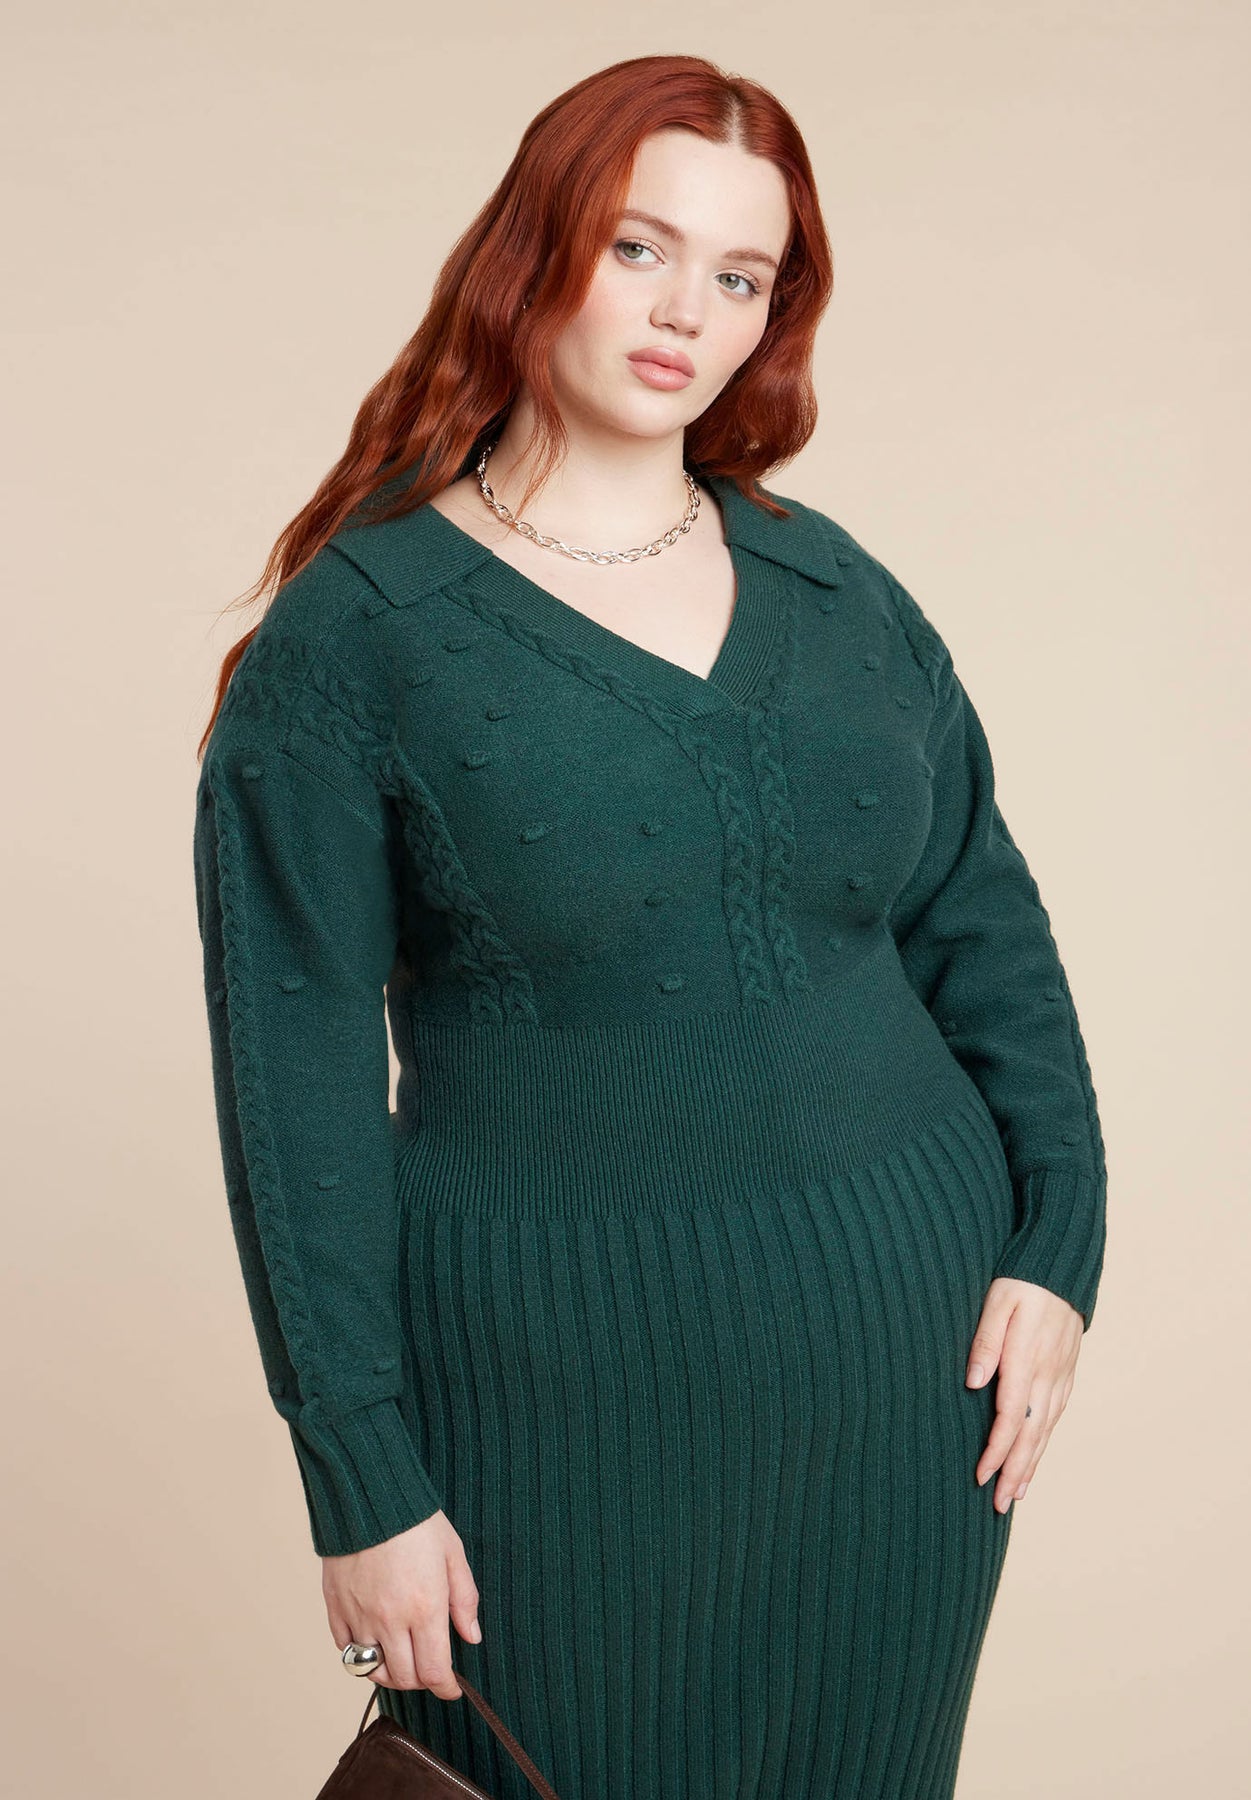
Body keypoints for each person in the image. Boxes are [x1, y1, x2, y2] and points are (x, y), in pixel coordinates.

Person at [192, 52, 1108, 1800]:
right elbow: (290, 1093)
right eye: (641, 248)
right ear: (535, 248)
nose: (690, 310)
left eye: (742, 275)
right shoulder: (359, 638)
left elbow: (982, 923)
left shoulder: (839, 590)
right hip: (550, 1407)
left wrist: (1058, 1238)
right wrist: (362, 1476)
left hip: (906, 1401)